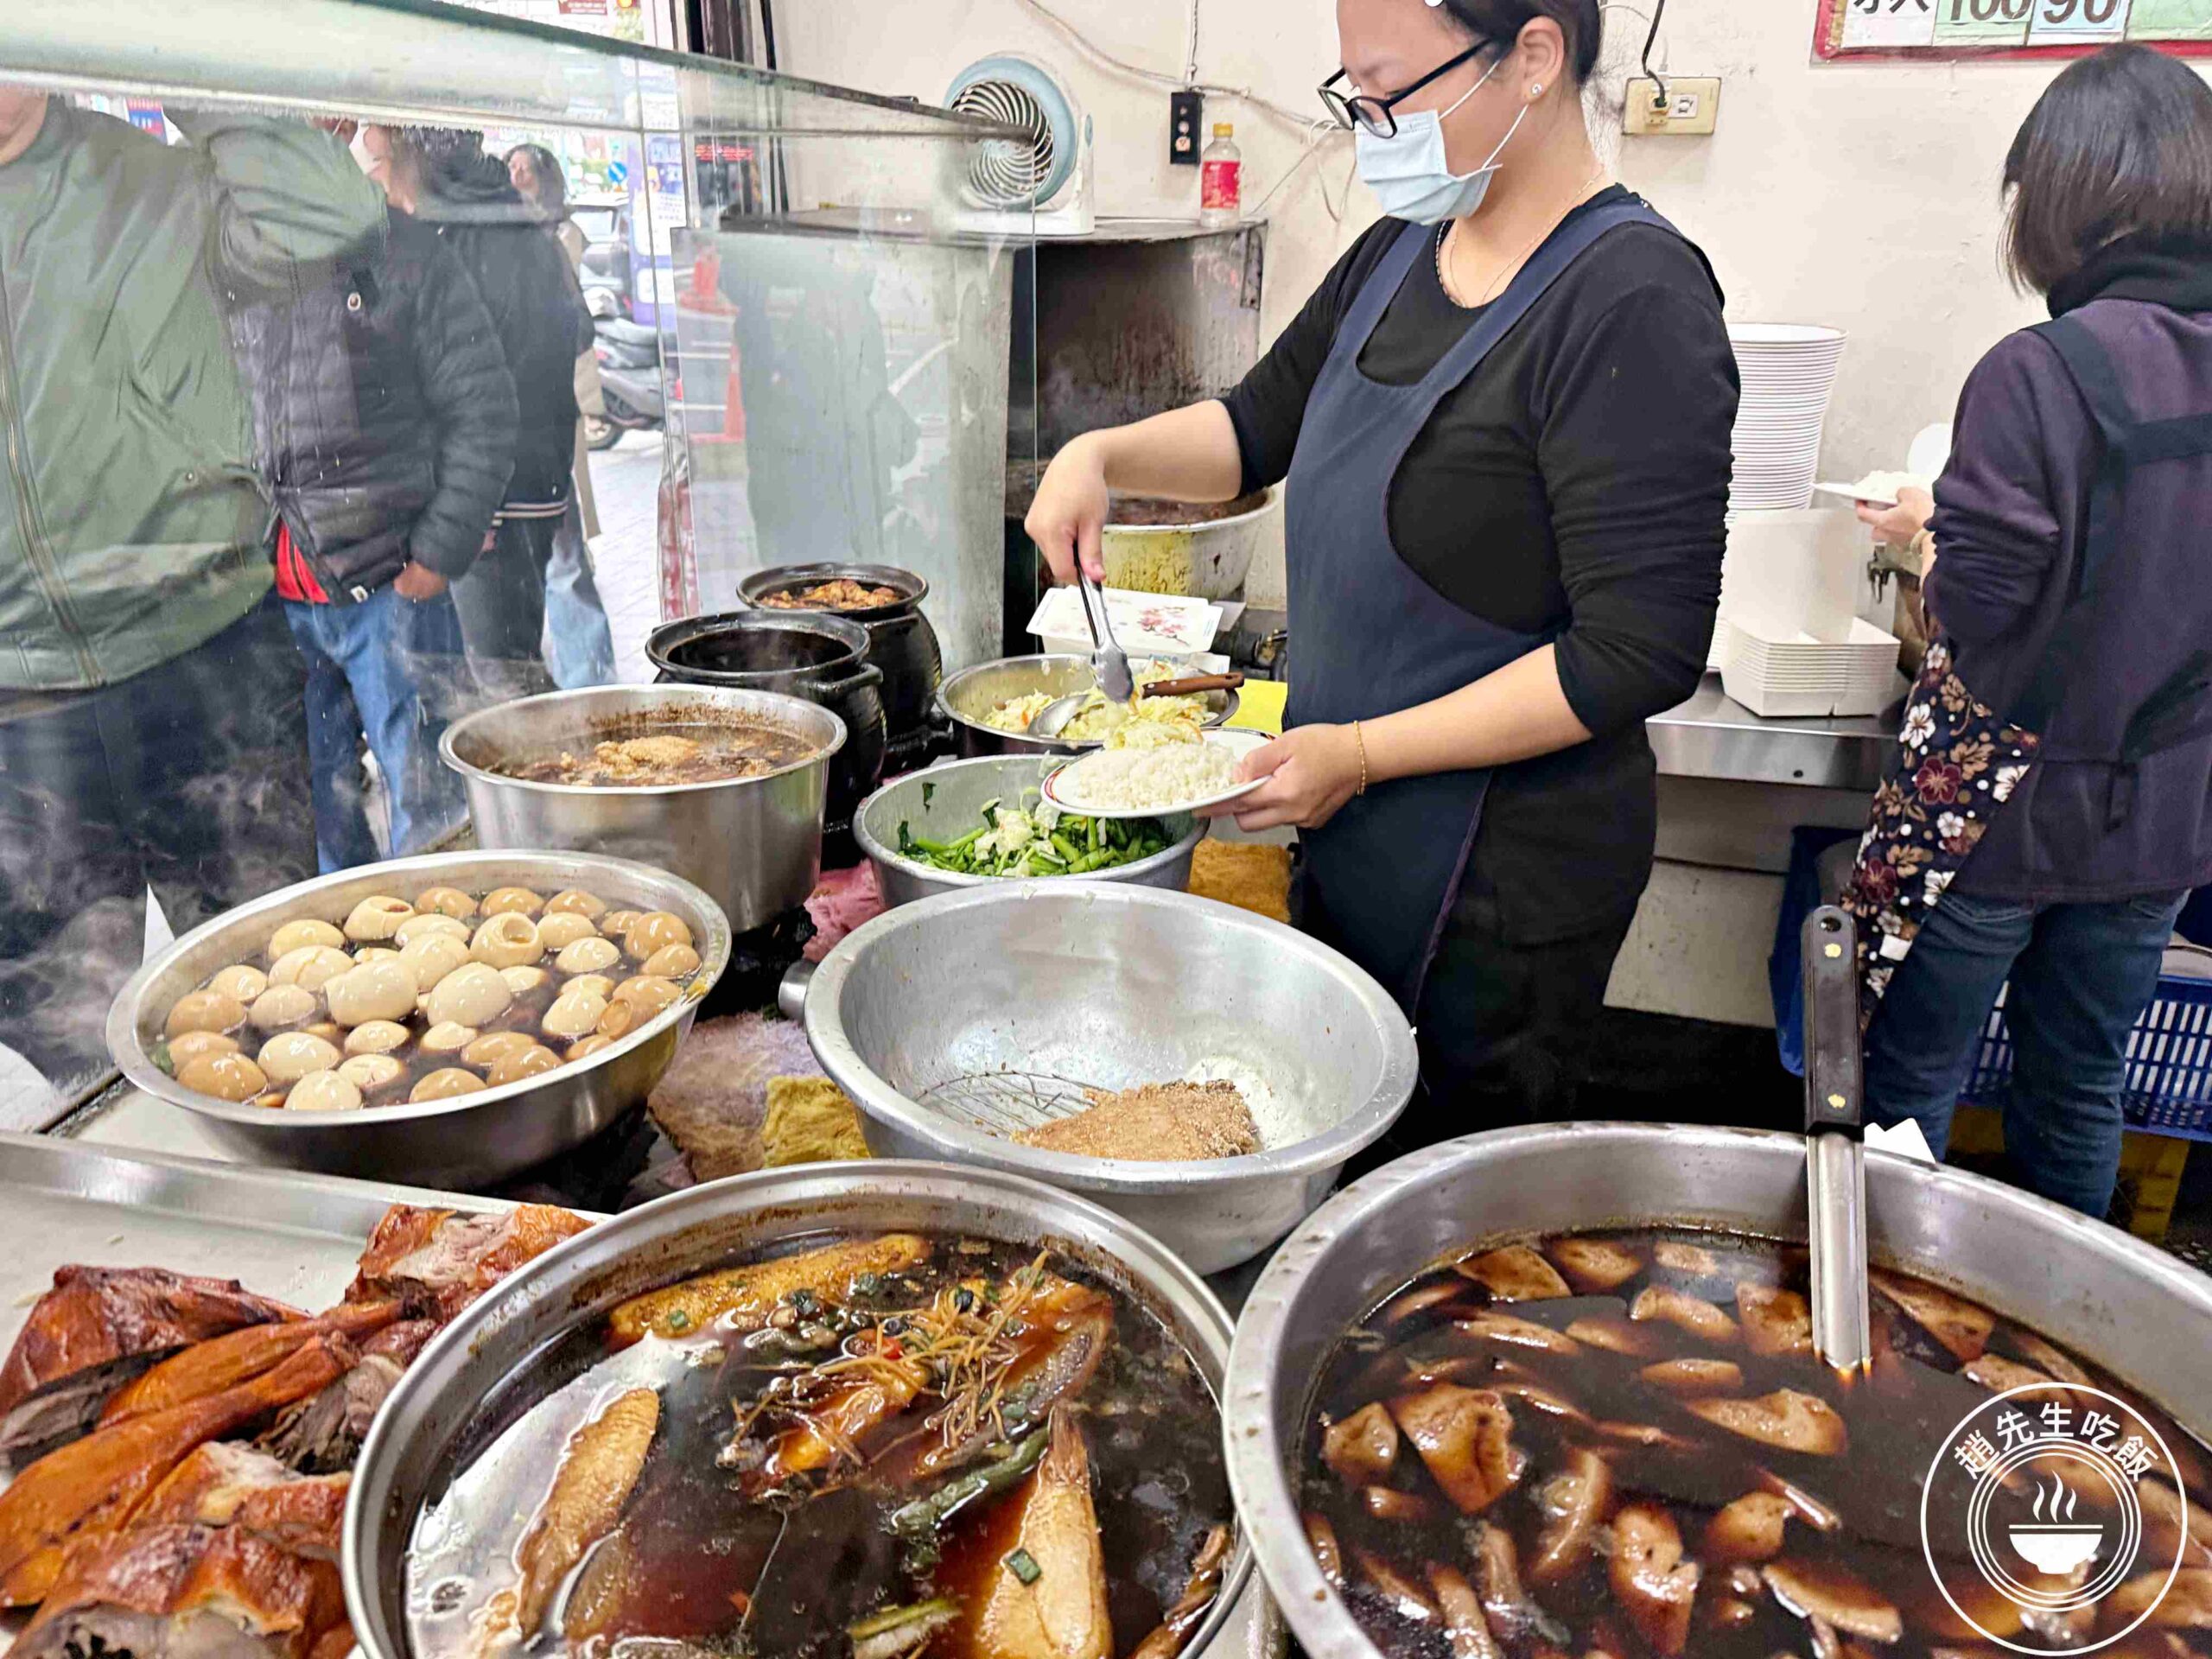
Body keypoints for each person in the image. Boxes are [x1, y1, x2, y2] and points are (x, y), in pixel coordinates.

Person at [1025, 0, 1737, 1143]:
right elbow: (1254, 429)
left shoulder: (1635, 300)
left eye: (1391, 93)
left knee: (1439, 1206)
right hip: (1353, 840)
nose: (1371, 129)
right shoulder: (1403, 249)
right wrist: (1100, 455)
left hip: (1499, 897)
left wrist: (1359, 754)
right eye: (1353, 96)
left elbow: (1635, 653)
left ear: (1534, 58)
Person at [1847, 44, 2212, 1218]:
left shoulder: (2040, 373)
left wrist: (1926, 532)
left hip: (1999, 821)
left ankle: (1888, 1321)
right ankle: (2067, 1319)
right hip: (2162, 823)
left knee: (1912, 1089)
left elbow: (1984, 606)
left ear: (2056, 200)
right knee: (2078, 1088)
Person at [0, 89, 383, 1112]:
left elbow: (334, 214)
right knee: (62, 1052)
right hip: (17, 702)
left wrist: (182, 69)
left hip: (209, 657)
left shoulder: (154, 179)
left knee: (283, 1001)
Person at [229, 166, 520, 873]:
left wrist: (438, 552)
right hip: (274, 600)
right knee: (314, 814)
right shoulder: (229, 253)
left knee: (431, 810)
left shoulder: (398, 248)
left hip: (392, 585)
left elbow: (483, 408)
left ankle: (444, 936)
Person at [356, 124, 595, 701]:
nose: (375, 178)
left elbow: (483, 391)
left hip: (495, 498)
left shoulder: (460, 238)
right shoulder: (509, 219)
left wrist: (473, 511)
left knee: (503, 678)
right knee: (506, 669)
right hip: (528, 479)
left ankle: (571, 759)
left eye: (377, 161)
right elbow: (574, 330)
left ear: (412, 159)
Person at [508, 141, 617, 689]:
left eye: (525, 170)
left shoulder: (555, 239)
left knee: (565, 562)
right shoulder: (495, 240)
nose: (515, 177)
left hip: (546, 422)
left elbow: (578, 328)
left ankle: (591, 689)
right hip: (517, 433)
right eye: (509, 168)